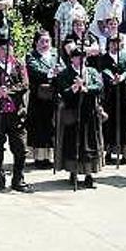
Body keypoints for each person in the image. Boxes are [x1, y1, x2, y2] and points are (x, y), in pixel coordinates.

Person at [0, 33, 34, 193]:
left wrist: (7, 91)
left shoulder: (18, 65)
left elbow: (24, 85)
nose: (7, 50)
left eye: (9, 47)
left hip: (16, 113)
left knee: (20, 148)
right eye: (3, 48)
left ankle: (18, 179)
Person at [54, 46, 104, 189]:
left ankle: (89, 174)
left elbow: (99, 87)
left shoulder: (92, 71)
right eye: (77, 57)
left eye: (83, 57)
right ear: (72, 59)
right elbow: (62, 90)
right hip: (73, 112)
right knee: (72, 143)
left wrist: (86, 88)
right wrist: (74, 88)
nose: (80, 60)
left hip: (88, 113)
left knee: (89, 143)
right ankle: (73, 172)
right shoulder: (65, 73)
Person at [99, 36, 126, 165]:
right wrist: (111, 77)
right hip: (110, 93)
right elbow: (103, 69)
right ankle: (108, 152)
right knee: (110, 122)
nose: (115, 45)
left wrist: (122, 77)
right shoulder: (104, 57)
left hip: (124, 92)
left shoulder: (125, 56)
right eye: (112, 43)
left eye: (117, 43)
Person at [25, 30, 58, 169]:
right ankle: (39, 157)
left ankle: (50, 156)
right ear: (36, 42)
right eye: (42, 41)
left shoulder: (55, 54)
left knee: (51, 125)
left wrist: (58, 71)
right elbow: (34, 71)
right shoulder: (31, 56)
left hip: (52, 95)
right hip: (38, 96)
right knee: (39, 126)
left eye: (47, 41)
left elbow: (62, 67)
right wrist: (50, 73)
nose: (45, 44)